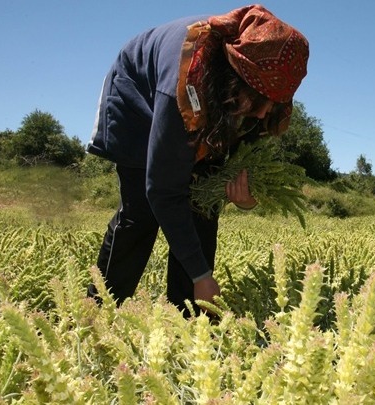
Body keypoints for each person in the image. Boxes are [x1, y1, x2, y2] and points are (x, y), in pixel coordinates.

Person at [85, 4, 309, 315]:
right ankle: (96, 311)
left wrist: (247, 196)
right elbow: (162, 190)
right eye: (258, 102)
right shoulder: (184, 84)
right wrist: (202, 276)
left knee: (202, 206)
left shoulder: (260, 82)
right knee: (142, 212)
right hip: (137, 98)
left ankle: (188, 322)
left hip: (205, 99)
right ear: (235, 77)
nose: (261, 113)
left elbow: (241, 157)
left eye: (272, 106)